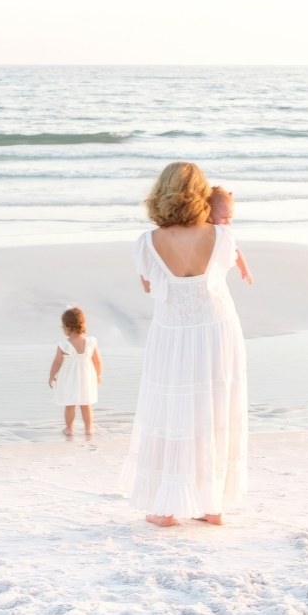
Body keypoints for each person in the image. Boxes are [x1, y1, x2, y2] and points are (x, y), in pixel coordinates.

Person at [120, 161, 248, 527]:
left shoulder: (147, 242)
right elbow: (222, 271)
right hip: (217, 329)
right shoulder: (222, 237)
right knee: (215, 410)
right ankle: (212, 505)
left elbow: (149, 286)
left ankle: (166, 508)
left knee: (171, 412)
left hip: (172, 333)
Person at [47, 305, 103, 440]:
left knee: (70, 404)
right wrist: (98, 375)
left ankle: (69, 428)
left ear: (66, 326)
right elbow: (97, 361)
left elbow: (57, 362)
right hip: (86, 377)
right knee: (86, 404)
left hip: (69, 379)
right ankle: (89, 428)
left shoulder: (63, 344)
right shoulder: (90, 342)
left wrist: (51, 375)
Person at [208, 186, 254, 285]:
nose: (228, 222)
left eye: (230, 217)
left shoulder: (224, 234)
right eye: (224, 218)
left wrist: (244, 269)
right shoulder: (205, 230)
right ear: (209, 214)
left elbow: (236, 250)